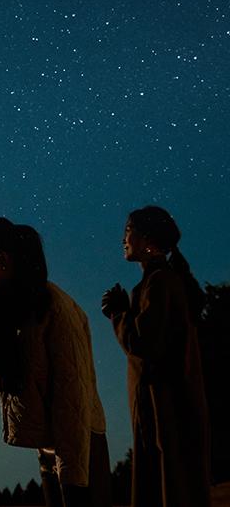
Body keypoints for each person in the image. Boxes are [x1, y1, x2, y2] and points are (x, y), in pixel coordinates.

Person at [0, 217, 112, 507]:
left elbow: (72, 396)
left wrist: (73, 479)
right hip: (54, 450)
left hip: (79, 452)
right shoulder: (20, 308)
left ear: (3, 260)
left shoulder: (52, 307)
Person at [101, 206, 210, 507]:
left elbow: (142, 343)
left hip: (162, 413)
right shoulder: (163, 282)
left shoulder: (159, 283)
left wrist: (118, 313)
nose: (123, 238)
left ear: (146, 239)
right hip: (167, 410)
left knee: (167, 485)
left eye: (127, 230)